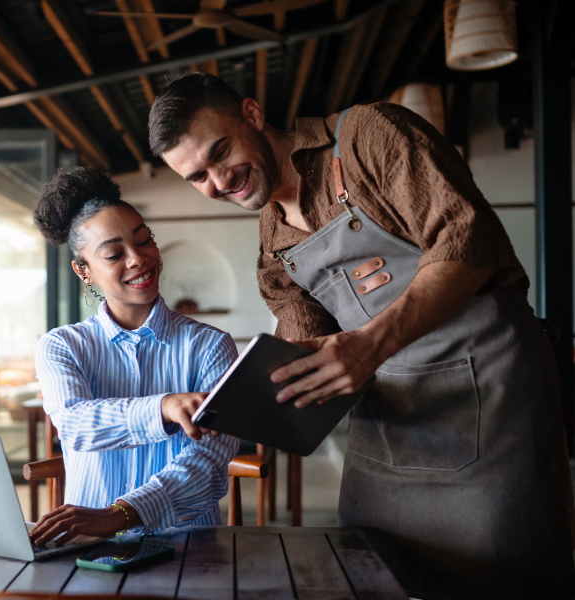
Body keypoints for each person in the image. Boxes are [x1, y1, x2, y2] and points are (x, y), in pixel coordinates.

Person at [148, 73, 574, 599]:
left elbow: (469, 243)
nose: (219, 179)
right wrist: (236, 407)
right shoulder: (272, 237)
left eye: (221, 150)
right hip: (394, 421)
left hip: (490, 393)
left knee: (503, 577)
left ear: (253, 115)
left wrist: (369, 345)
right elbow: (303, 345)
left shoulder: (367, 135)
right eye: (197, 177)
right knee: (372, 573)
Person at [27, 166, 239, 547]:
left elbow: (208, 461)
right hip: (89, 548)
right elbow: (76, 425)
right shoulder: (61, 346)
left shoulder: (211, 346)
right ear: (84, 271)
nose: (138, 259)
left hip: (186, 547)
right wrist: (162, 408)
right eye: (113, 254)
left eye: (144, 241)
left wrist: (122, 514)